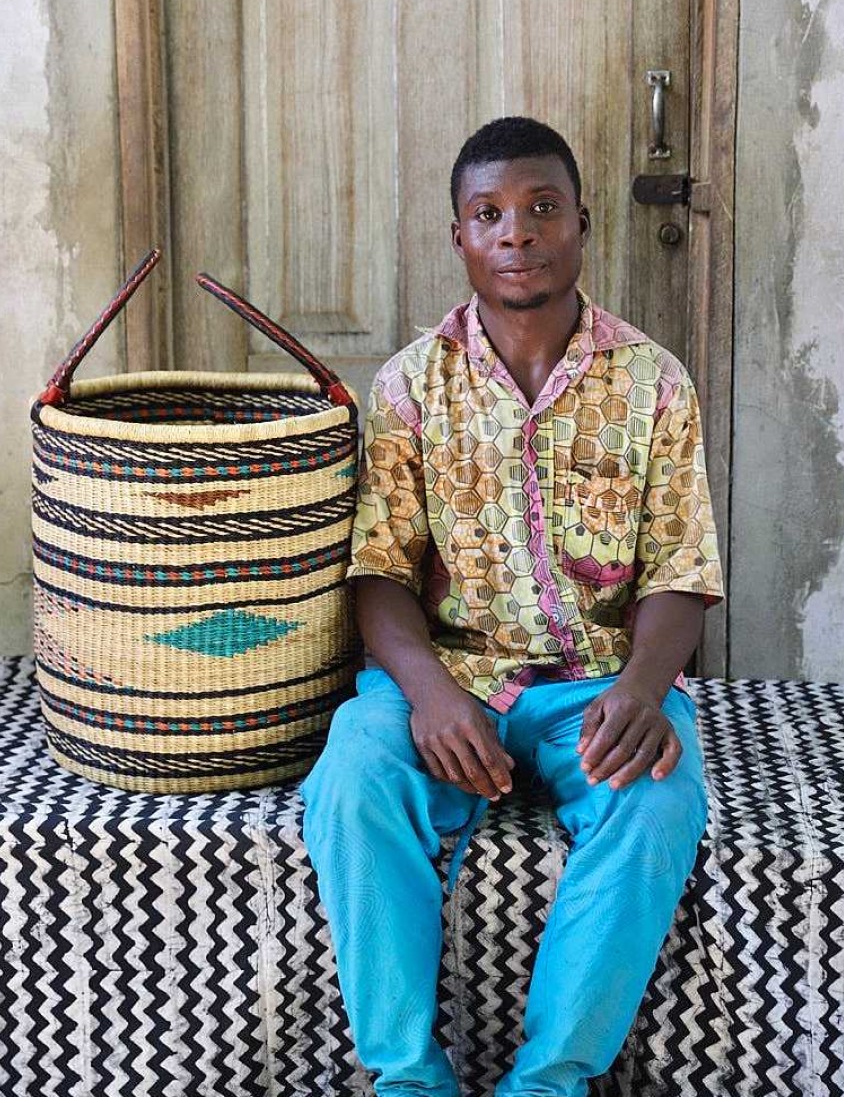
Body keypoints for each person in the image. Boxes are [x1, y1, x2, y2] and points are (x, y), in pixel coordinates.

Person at [301, 116, 724, 1097]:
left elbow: (681, 570)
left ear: (580, 223)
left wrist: (646, 687)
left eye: (541, 208)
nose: (517, 232)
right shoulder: (410, 383)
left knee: (659, 798)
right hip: (450, 680)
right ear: (460, 236)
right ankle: (410, 1076)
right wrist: (428, 694)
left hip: (599, 686)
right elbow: (379, 571)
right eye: (489, 213)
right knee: (354, 771)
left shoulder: (654, 382)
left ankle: (550, 1078)